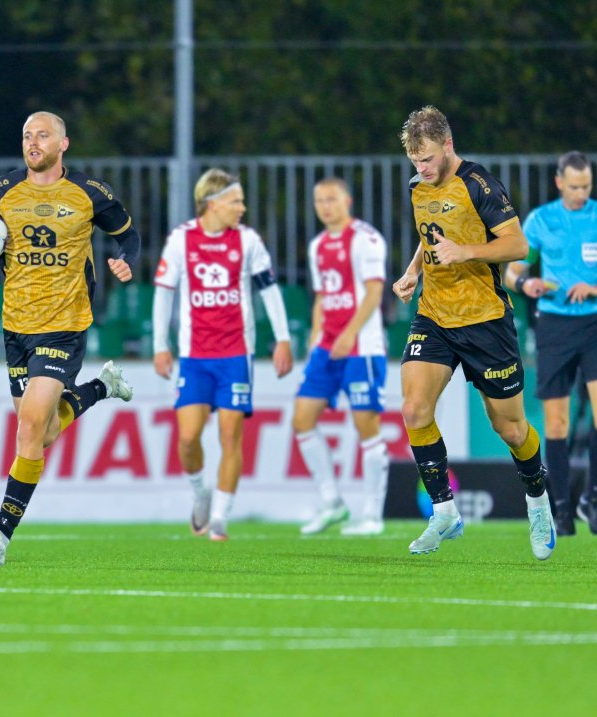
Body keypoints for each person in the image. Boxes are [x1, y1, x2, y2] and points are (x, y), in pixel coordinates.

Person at [0, 111, 139, 566]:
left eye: (42, 135)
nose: (33, 142)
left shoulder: (89, 193)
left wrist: (126, 259)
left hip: (65, 325)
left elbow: (129, 235)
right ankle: (102, 387)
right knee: (44, 431)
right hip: (16, 327)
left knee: (28, 428)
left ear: (63, 143)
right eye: (27, 135)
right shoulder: (1, 190)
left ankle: (0, 536)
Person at [391, 105, 554, 560]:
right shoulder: (418, 187)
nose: (421, 169)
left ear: (447, 144)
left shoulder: (480, 185)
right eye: (414, 162)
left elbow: (518, 245)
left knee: (511, 427)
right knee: (414, 407)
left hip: (484, 321)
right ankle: (444, 512)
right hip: (435, 317)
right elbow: (431, 239)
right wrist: (412, 273)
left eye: (426, 158)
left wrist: (466, 251)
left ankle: (538, 500)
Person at [505, 151, 597, 536]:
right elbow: (512, 271)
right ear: (559, 183)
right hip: (554, 326)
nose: (581, 193)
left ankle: (593, 497)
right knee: (557, 422)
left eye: (586, 186)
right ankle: (562, 509)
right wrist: (526, 284)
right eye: (574, 186)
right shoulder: (541, 220)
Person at [152, 169, 294, 541]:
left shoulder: (248, 241)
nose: (242, 208)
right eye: (236, 201)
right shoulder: (181, 240)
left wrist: (282, 338)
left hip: (235, 356)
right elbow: (164, 292)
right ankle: (201, 493)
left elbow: (269, 290)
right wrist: (159, 345)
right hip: (195, 357)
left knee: (231, 437)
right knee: (187, 438)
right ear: (213, 203)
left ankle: (219, 518)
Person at [295, 178, 390, 536]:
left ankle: (371, 515)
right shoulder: (318, 245)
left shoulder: (365, 238)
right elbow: (322, 295)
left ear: (347, 200)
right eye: (319, 200)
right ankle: (332, 502)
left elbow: (374, 292)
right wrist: (315, 334)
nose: (325, 206)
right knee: (303, 418)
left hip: (361, 346)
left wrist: (350, 333)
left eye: (331, 199)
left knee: (366, 425)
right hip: (328, 345)